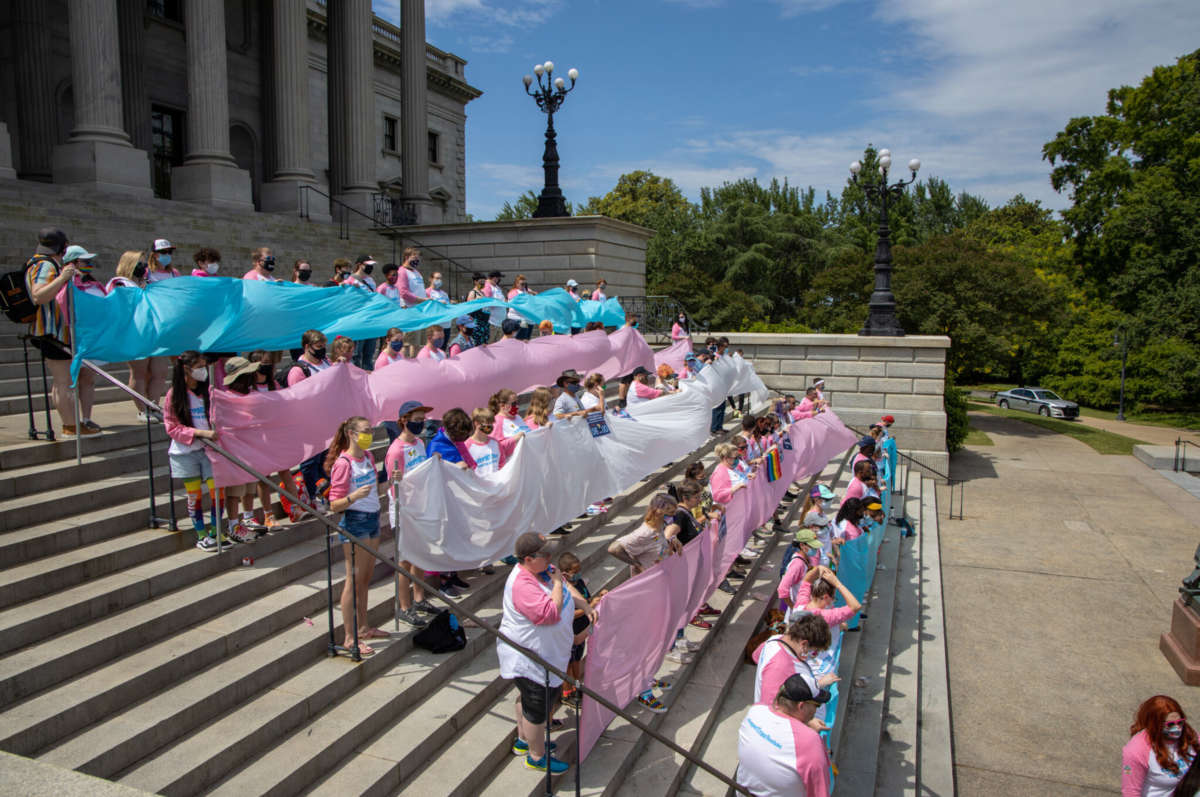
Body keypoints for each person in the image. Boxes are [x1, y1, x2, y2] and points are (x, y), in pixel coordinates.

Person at [497, 533, 575, 774]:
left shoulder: (540, 570)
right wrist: (559, 583)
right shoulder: (522, 584)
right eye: (544, 555)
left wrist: (579, 602)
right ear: (529, 559)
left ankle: (525, 739)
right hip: (532, 659)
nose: (550, 558)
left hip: (545, 656)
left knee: (528, 700)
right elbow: (549, 614)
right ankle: (536, 755)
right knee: (537, 710)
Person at [22, 228, 99, 436]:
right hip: (51, 331)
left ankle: (71, 424)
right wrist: (63, 277)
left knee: (63, 381)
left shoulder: (41, 263)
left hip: (53, 330)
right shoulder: (46, 265)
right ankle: (70, 425)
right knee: (64, 381)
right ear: (63, 247)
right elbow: (39, 296)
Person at [326, 416, 386, 657]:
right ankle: (350, 636)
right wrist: (355, 497)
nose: (368, 434)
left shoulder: (369, 457)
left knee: (366, 578)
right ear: (351, 433)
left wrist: (390, 482)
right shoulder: (343, 463)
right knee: (353, 579)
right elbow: (335, 504)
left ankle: (363, 627)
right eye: (364, 431)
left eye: (370, 430)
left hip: (373, 518)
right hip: (356, 521)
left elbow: (375, 488)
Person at [163, 351, 224, 548]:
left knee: (218, 491)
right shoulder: (174, 395)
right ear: (186, 370)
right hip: (185, 452)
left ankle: (216, 531)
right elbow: (172, 427)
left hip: (210, 450)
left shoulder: (209, 391)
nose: (203, 371)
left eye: (203, 366)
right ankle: (200, 534)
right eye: (198, 367)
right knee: (194, 495)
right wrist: (200, 433)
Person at [736, 674, 833, 797]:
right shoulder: (810, 741)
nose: (815, 711)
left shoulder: (755, 711)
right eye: (816, 705)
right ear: (801, 706)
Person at [384, 400, 437, 626]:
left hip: (420, 506)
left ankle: (419, 598)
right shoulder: (396, 449)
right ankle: (404, 606)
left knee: (420, 555)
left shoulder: (420, 443)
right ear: (404, 420)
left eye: (422, 420)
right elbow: (392, 482)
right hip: (404, 509)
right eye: (416, 420)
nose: (420, 424)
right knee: (405, 560)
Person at [1123, 695, 1199, 797]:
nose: (1178, 728)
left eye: (1180, 722)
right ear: (1155, 724)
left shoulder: (1190, 736)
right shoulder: (1136, 751)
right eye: (1171, 724)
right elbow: (1131, 792)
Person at [751, 613, 835, 705]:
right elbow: (771, 706)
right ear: (804, 644)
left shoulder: (775, 639)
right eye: (814, 651)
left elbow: (756, 656)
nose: (814, 656)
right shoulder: (780, 667)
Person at [607, 493, 682, 577]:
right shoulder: (644, 533)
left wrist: (671, 540)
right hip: (650, 583)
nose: (674, 515)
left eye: (675, 511)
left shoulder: (660, 526)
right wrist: (638, 566)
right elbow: (614, 549)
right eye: (671, 512)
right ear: (658, 512)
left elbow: (655, 542)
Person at [778, 525, 824, 619]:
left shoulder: (807, 560)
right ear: (802, 545)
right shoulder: (797, 564)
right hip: (799, 615)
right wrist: (793, 607)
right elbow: (782, 589)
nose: (815, 549)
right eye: (812, 546)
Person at [466, 408, 522, 476]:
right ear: (476, 423)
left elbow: (501, 464)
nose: (490, 426)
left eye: (491, 423)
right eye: (487, 423)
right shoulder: (467, 446)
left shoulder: (495, 443)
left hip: (497, 484)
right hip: (478, 485)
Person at [465, 273, 493, 347]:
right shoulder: (472, 293)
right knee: (477, 344)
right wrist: (477, 302)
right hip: (477, 323)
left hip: (485, 323)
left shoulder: (483, 293)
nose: (483, 283)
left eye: (484, 282)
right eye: (481, 282)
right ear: (475, 282)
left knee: (485, 344)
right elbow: (468, 308)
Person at [425, 270, 452, 349]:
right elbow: (426, 308)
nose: (439, 281)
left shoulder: (444, 293)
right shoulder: (427, 292)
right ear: (431, 279)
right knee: (434, 347)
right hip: (435, 325)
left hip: (446, 324)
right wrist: (439, 303)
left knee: (443, 348)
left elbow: (448, 306)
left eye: (440, 279)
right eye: (437, 278)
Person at [506, 274, 536, 340]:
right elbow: (514, 303)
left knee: (527, 340)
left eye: (525, 284)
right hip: (519, 318)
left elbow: (535, 296)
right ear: (517, 284)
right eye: (522, 284)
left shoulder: (527, 291)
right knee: (521, 339)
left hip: (529, 320)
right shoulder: (513, 292)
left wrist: (533, 294)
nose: (524, 285)